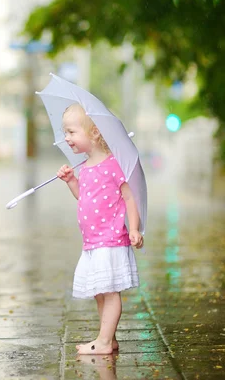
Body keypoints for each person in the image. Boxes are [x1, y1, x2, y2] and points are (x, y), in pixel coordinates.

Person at [56, 103, 143, 354]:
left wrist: (134, 229)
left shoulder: (114, 165)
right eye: (65, 132)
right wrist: (72, 181)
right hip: (92, 241)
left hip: (111, 239)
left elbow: (129, 198)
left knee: (109, 290)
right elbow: (83, 197)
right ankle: (108, 337)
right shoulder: (84, 166)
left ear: (94, 133)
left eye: (72, 132)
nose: (67, 138)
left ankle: (104, 342)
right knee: (99, 291)